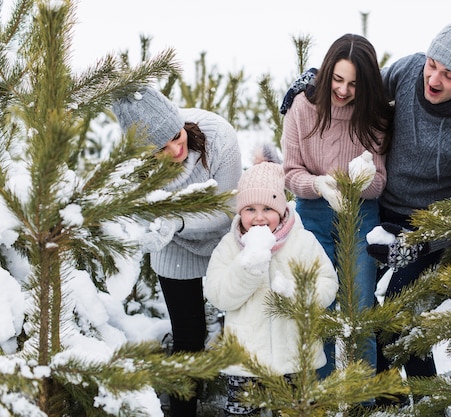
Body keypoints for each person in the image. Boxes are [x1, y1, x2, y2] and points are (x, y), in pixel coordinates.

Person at [280, 12, 451, 401]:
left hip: (425, 224)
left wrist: (420, 241)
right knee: (352, 305)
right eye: (433, 65)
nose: (433, 79)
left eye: (449, 75)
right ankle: (378, 393)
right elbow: (359, 83)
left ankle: (424, 398)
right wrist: (315, 80)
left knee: (398, 312)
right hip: (376, 206)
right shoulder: (411, 69)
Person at [112, 86, 242, 417]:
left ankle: (241, 404)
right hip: (174, 250)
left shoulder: (217, 137)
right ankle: (183, 412)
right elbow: (135, 219)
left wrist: (178, 221)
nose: (174, 148)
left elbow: (228, 211)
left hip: (223, 243)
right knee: (188, 338)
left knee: (240, 328)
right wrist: (152, 229)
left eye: (175, 135)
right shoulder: (132, 169)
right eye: (160, 148)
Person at [280, 33, 394, 380]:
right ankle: (322, 395)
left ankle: (362, 398)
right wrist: (318, 184)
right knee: (319, 310)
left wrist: (359, 179)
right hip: (313, 216)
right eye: (338, 80)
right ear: (327, 73)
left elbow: (379, 183)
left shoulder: (375, 116)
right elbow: (290, 173)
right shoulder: (302, 107)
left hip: (360, 218)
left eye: (354, 84)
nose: (343, 91)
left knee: (359, 312)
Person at [204, 158, 338, 417]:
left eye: (268, 208)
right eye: (250, 209)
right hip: (246, 359)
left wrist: (299, 296)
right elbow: (217, 294)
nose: (259, 218)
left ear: (282, 209)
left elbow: (328, 282)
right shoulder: (230, 245)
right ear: (239, 211)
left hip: (295, 357)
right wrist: (246, 271)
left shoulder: (302, 241)